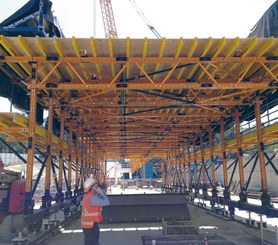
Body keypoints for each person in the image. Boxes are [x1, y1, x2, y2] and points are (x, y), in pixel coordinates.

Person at [81, 177, 110, 245]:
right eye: (96, 185)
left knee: (89, 242)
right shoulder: (92, 198)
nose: (97, 187)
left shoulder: (87, 196)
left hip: (88, 225)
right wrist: (101, 193)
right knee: (93, 242)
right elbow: (106, 202)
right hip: (91, 226)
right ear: (92, 187)